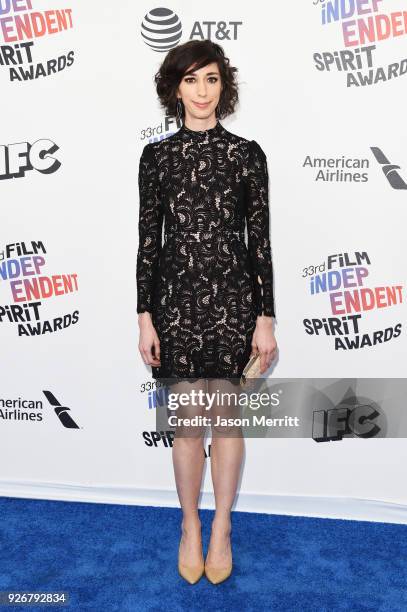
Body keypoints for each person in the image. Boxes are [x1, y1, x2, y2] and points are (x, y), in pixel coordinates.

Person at [137, 40, 277, 584]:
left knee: (226, 418)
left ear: (224, 86)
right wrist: (144, 314)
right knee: (188, 425)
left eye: (212, 79)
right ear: (175, 88)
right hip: (175, 303)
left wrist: (265, 317)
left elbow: (260, 243)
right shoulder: (157, 157)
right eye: (191, 80)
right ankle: (190, 526)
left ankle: (221, 528)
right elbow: (149, 241)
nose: (202, 91)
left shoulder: (248, 154)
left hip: (233, 302)